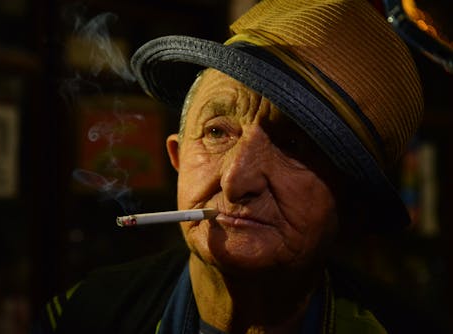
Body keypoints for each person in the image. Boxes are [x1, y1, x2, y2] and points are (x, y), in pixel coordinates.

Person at [34, 0, 426, 333]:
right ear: (177, 157)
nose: (237, 179)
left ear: (351, 204)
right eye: (217, 132)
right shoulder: (83, 315)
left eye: (294, 145)